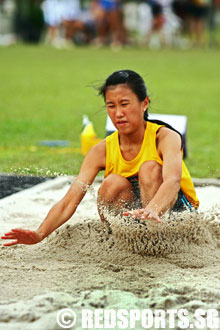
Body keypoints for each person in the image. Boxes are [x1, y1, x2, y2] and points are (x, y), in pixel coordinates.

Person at [1, 70, 199, 247]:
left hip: (173, 214)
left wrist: (153, 210)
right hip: (136, 215)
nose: (118, 113)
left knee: (149, 169)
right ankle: (126, 242)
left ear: (144, 104)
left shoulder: (165, 137)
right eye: (111, 106)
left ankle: (158, 240)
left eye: (124, 104)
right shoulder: (101, 150)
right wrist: (39, 233)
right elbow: (70, 200)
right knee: (111, 183)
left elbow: (172, 181)